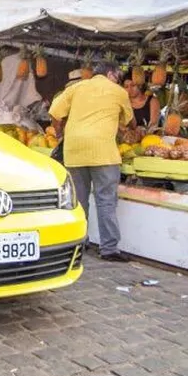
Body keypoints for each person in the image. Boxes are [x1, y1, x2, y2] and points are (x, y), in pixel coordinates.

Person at [49, 61, 135, 262]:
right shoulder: (118, 91)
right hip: (103, 152)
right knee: (105, 199)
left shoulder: (76, 87)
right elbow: (130, 122)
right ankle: (109, 249)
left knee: (79, 200)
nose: (119, 81)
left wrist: (60, 131)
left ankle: (78, 243)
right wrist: (132, 126)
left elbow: (54, 112)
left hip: (75, 150)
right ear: (111, 74)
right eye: (119, 77)